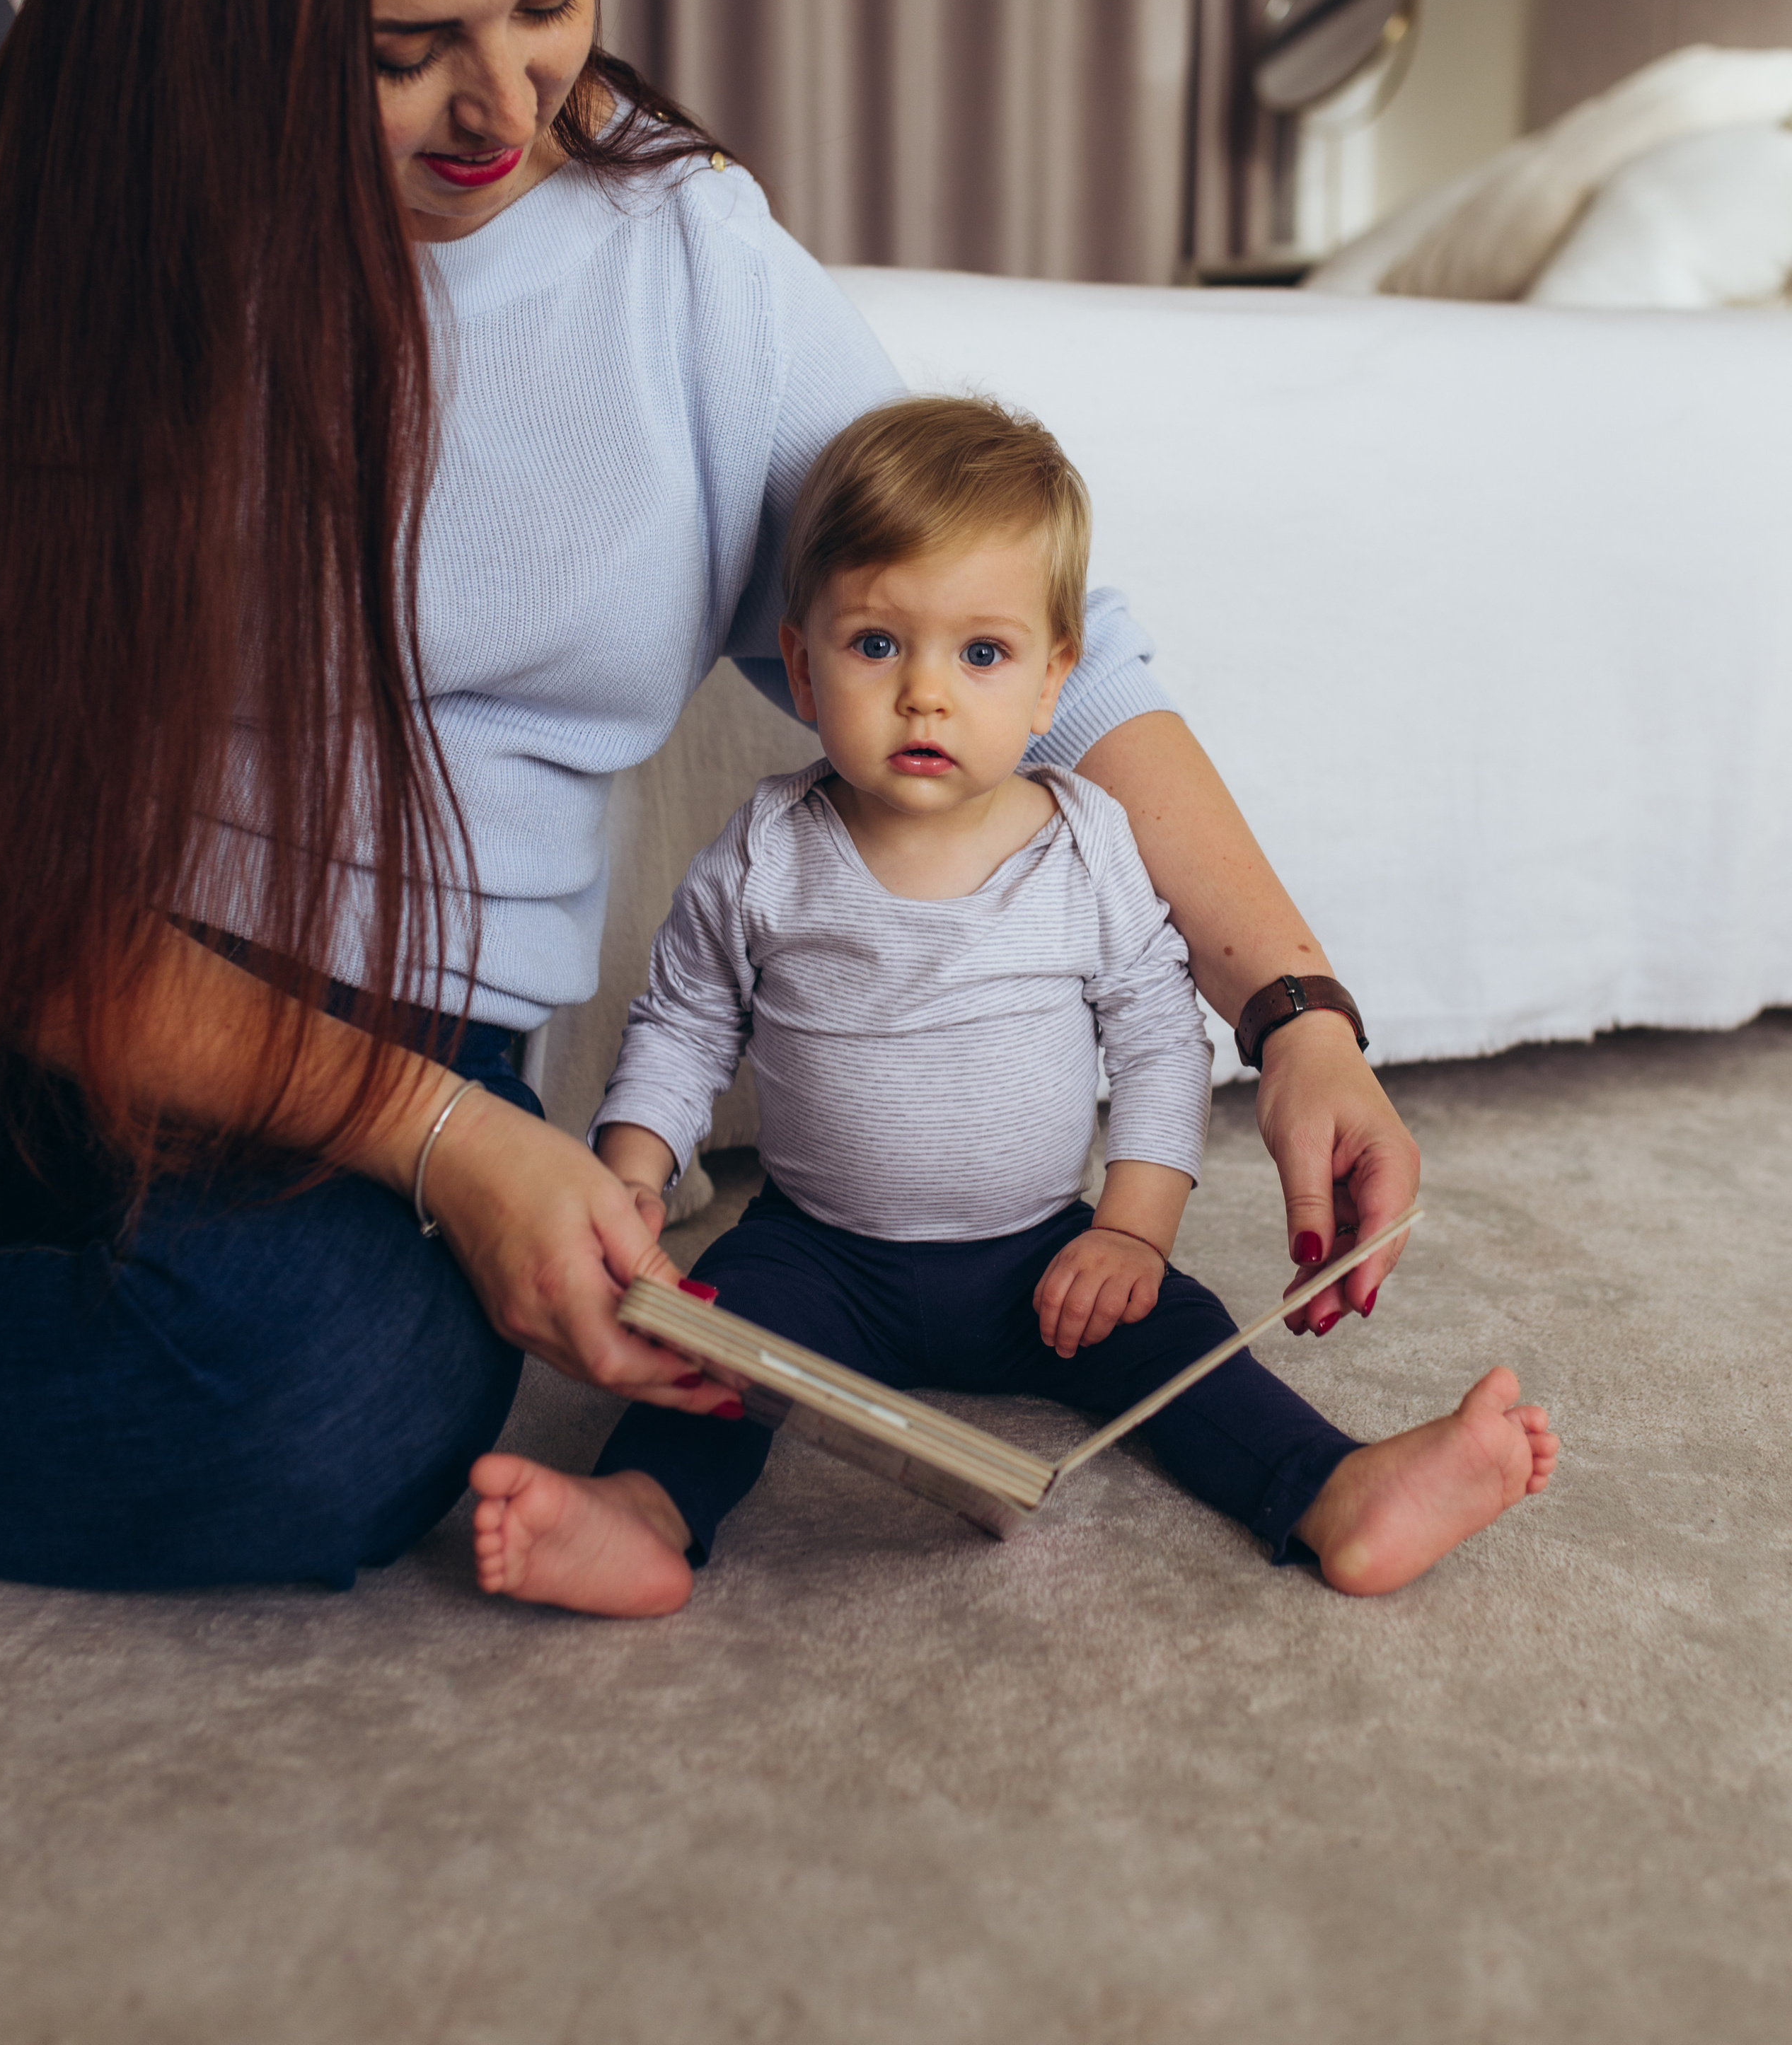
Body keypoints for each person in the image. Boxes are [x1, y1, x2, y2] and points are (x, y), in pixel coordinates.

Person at [0, 0, 1421, 1598]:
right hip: (72, 970)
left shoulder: (681, 264)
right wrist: (458, 1154)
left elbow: (1048, 665)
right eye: (405, 48)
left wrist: (1296, 1014)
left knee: (329, 1411)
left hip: (382, 1045)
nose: (511, 107)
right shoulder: (82, 263)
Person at [471, 400, 1559, 1614]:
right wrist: (630, 1171)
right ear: (801, 658)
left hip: (1045, 1257)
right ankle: (647, 1516)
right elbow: (682, 1025)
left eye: (980, 656)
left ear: (1053, 685)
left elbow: (1157, 1039)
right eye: (878, 645)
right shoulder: (767, 851)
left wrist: (1132, 1234)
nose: (926, 695)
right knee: (706, 1350)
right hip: (816, 1255)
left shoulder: (1091, 848)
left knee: (1186, 1352)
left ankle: (1333, 1491)